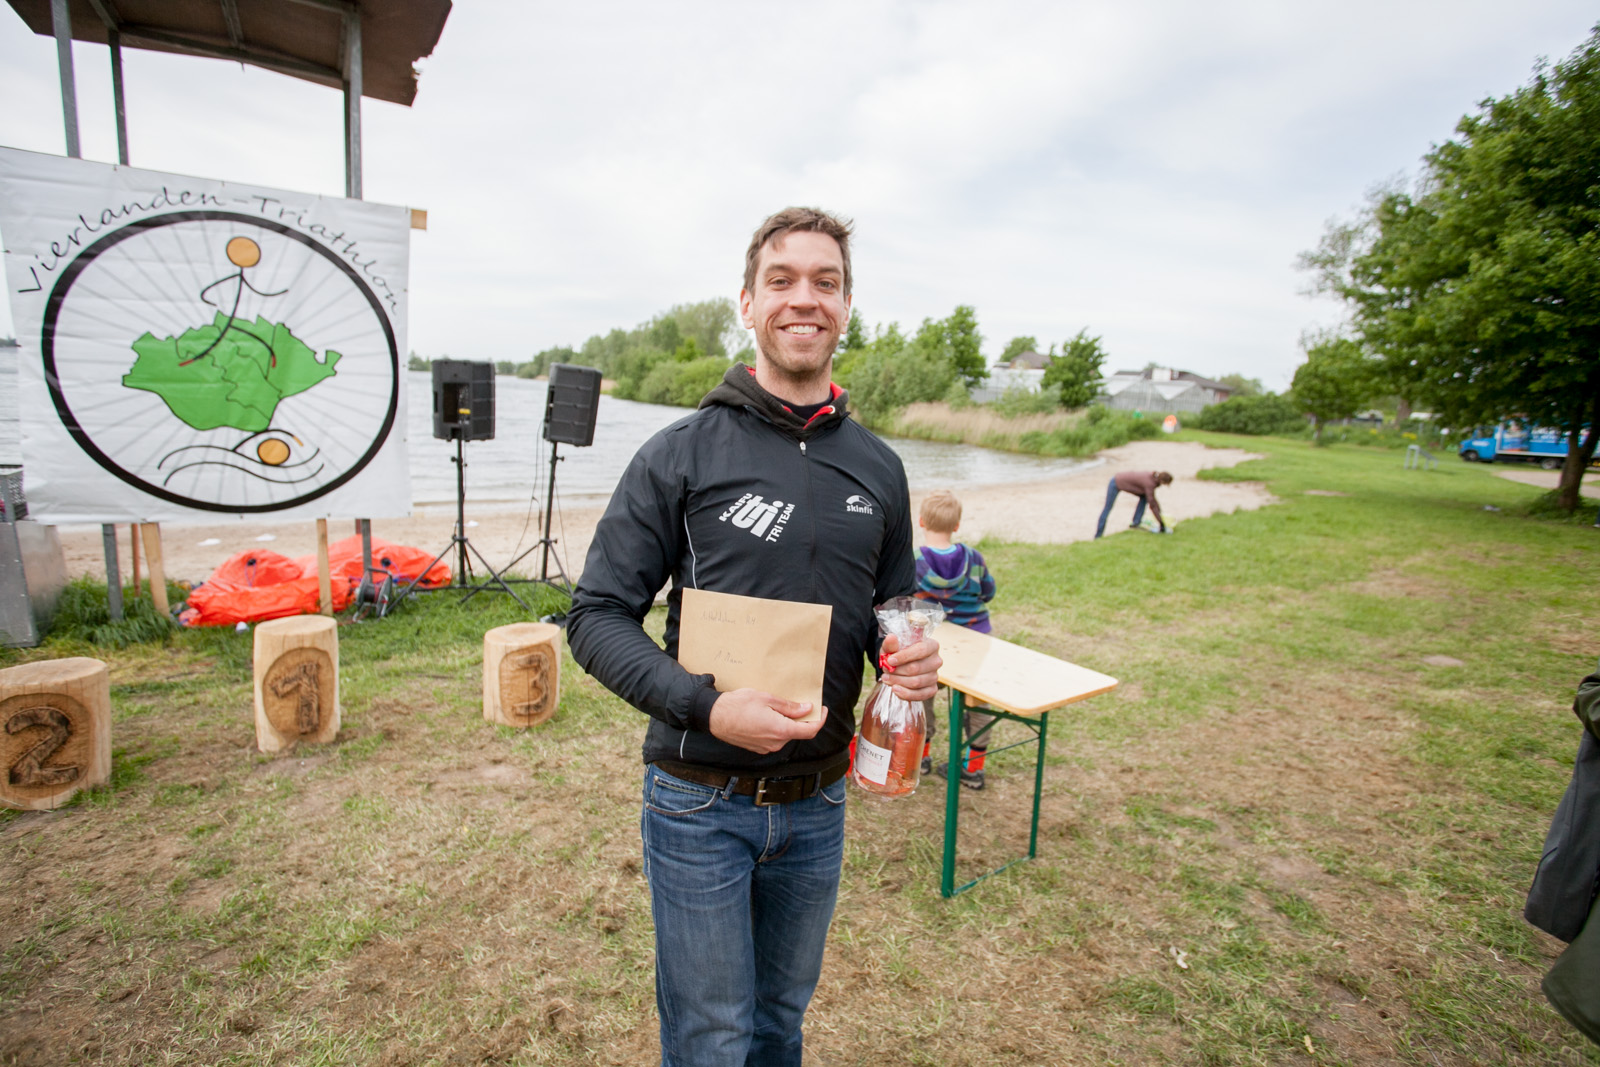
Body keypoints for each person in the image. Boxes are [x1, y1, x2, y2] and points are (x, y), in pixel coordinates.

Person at [565, 206, 942, 1067]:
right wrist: (705, 705)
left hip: (819, 804)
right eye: (782, 280)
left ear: (848, 306)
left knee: (778, 1027)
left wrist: (914, 663)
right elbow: (595, 617)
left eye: (826, 282)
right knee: (712, 1039)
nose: (803, 299)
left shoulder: (880, 466)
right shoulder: (682, 451)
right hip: (699, 800)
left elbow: (895, 618)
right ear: (748, 302)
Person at [912, 489, 997, 789]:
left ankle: (920, 758)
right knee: (977, 702)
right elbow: (988, 592)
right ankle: (973, 769)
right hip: (975, 640)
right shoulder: (974, 558)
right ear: (956, 525)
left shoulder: (916, 561)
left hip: (931, 641)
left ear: (921, 521)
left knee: (922, 697)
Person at [1094, 470, 1173, 538]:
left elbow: (1152, 500)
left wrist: (1160, 512)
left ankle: (1136, 522)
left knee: (1144, 497)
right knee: (1107, 508)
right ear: (1162, 481)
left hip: (1120, 478)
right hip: (1115, 482)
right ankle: (1098, 536)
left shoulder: (1153, 477)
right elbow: (1152, 504)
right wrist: (1161, 523)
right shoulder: (1149, 484)